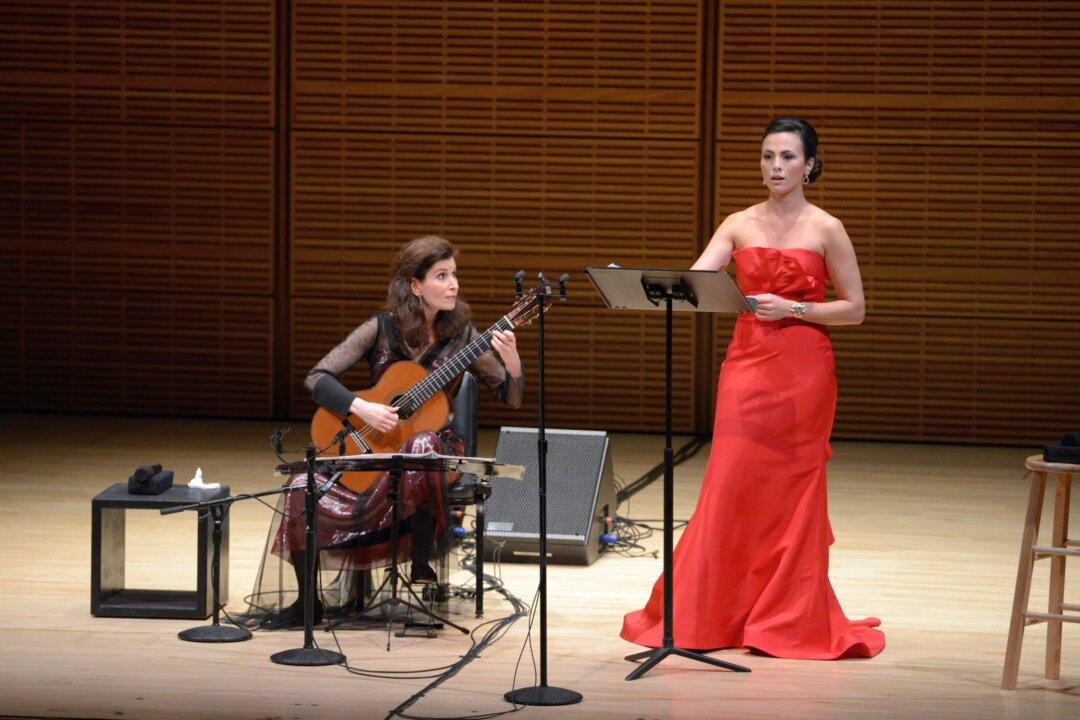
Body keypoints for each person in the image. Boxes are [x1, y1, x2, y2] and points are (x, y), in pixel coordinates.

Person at [620, 117, 885, 659]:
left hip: (804, 369)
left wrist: (796, 308)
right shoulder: (738, 222)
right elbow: (697, 281)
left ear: (810, 164)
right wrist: (655, 285)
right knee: (731, 484)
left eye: (787, 157)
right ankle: (717, 612)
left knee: (792, 491)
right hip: (747, 365)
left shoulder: (827, 227)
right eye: (767, 156)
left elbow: (855, 310)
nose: (776, 167)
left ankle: (783, 618)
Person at [251, 235, 525, 628]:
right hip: (377, 446)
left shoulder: (463, 337)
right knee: (300, 481)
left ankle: (420, 553)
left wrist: (512, 361)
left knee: (423, 441)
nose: (454, 285)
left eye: (454, 275)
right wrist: (360, 406)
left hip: (433, 453)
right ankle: (306, 602)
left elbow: (510, 397)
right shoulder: (381, 329)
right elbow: (316, 378)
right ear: (415, 285)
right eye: (442, 276)